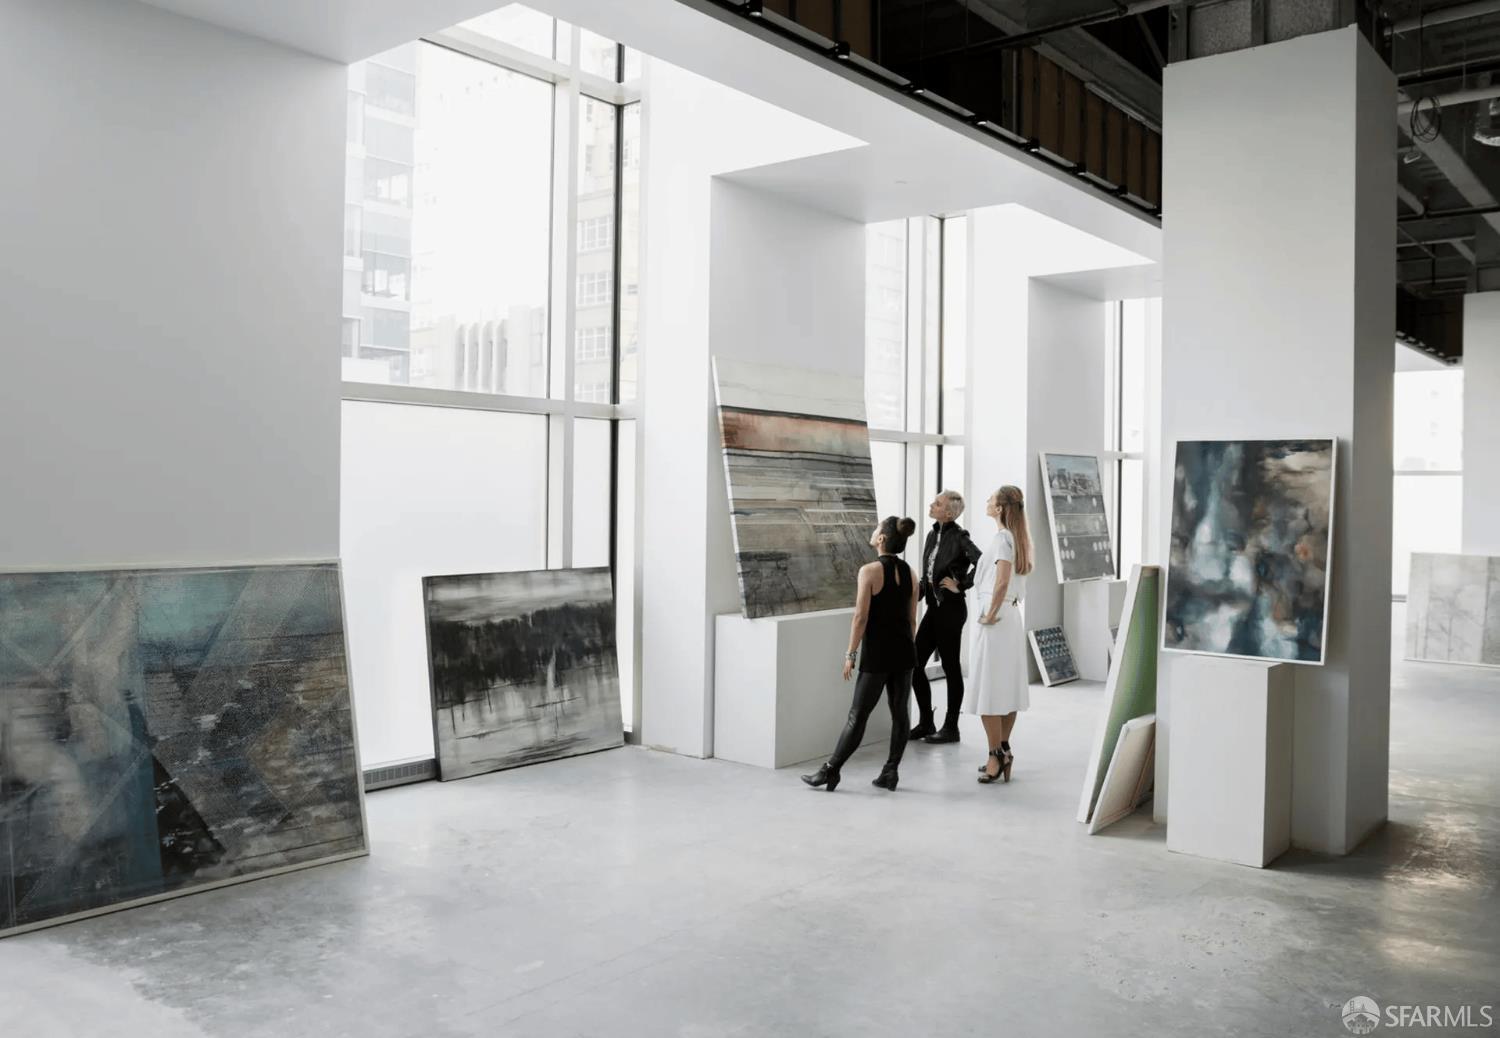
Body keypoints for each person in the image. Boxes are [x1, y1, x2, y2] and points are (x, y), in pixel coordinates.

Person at [802, 515, 920, 792]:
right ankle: (890, 772)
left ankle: (830, 771)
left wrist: (850, 654)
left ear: (881, 539)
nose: (874, 530)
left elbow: (860, 617)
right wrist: (906, 649)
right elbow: (912, 620)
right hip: (904, 651)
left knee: (857, 715)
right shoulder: (911, 573)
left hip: (878, 654)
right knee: (900, 714)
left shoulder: (869, 571)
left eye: (877, 528)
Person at [966, 485, 1034, 784]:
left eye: (991, 499)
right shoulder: (1017, 538)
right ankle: (1004, 748)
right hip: (1010, 619)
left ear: (1001, 508)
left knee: (989, 691)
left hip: (997, 620)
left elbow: (1002, 581)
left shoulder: (1002, 539)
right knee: (1005, 688)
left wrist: (990, 613)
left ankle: (995, 755)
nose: (986, 502)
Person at [908, 490, 983, 744]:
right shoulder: (932, 534)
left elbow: (983, 562)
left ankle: (951, 728)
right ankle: (926, 722)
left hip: (951, 610)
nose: (932, 504)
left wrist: (961, 585)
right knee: (915, 663)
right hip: (933, 607)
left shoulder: (960, 537)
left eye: (937, 503)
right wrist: (917, 590)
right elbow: (931, 572)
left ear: (949, 513)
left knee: (951, 668)